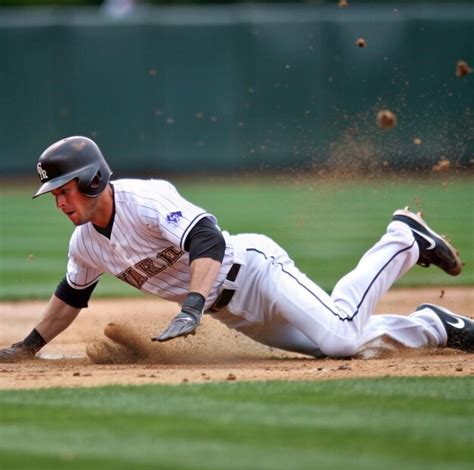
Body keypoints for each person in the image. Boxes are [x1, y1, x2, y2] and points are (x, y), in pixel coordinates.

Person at [0, 136, 473, 363]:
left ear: (94, 179)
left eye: (65, 189)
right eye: (55, 193)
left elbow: (206, 238)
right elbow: (71, 296)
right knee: (339, 340)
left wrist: (190, 305)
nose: (59, 201)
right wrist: (28, 346)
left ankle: (402, 239)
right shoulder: (85, 243)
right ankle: (434, 325)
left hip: (255, 272)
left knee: (341, 338)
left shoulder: (144, 200)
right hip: (234, 313)